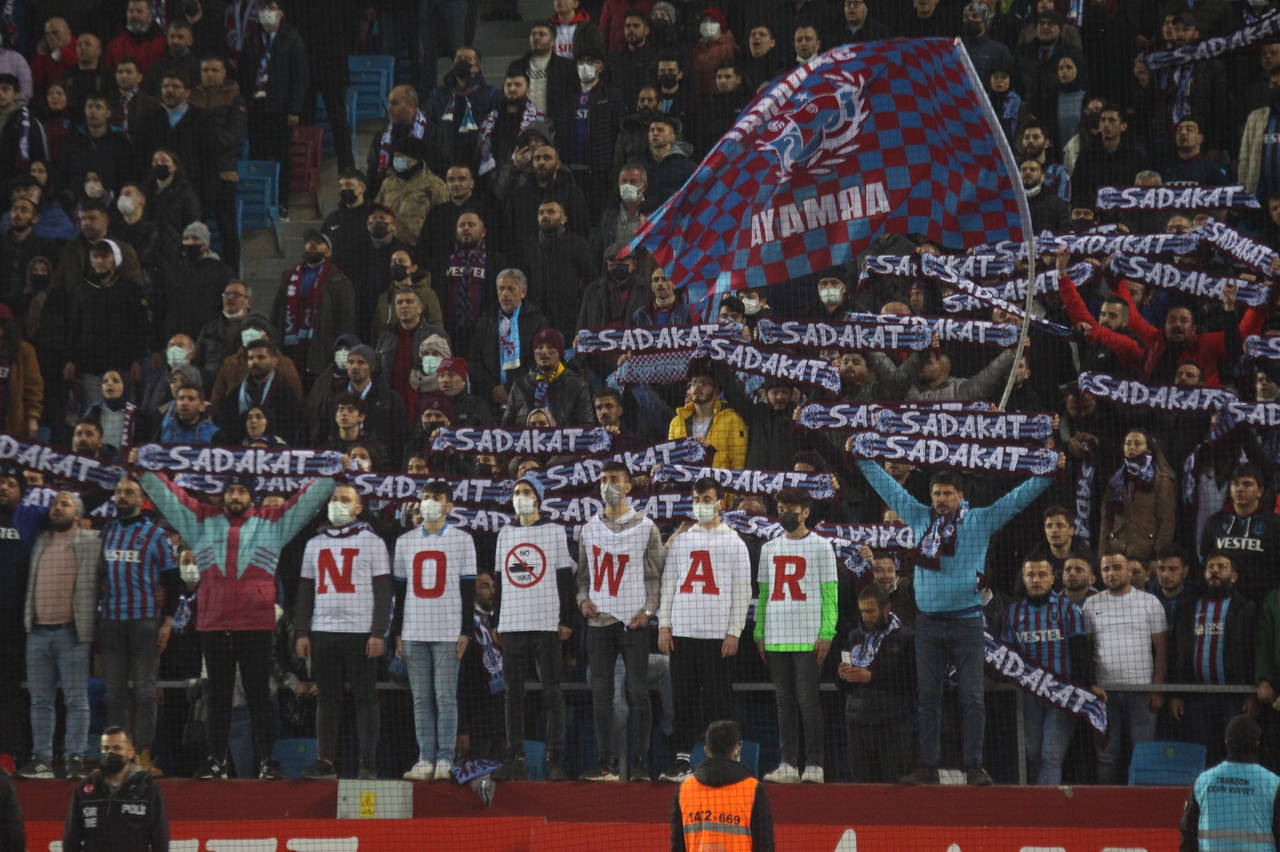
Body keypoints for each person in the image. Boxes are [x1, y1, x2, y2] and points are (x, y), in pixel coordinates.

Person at [856, 459, 1056, 785]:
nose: (941, 499)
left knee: (973, 698)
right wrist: (863, 460)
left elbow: (1017, 500)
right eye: (936, 493)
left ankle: (974, 767)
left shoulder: (980, 520)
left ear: (961, 497)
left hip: (968, 623)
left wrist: (1046, 475)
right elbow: (889, 489)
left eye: (948, 493)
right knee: (928, 698)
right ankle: (928, 767)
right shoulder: (920, 516)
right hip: (929, 625)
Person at [140, 469, 335, 780]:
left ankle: (268, 762)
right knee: (216, 697)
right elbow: (170, 498)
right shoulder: (201, 520)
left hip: (255, 623)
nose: (235, 496)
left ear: (251, 497)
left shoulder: (273, 522)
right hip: (214, 623)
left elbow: (304, 501)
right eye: (230, 491)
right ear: (223, 495)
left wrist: (330, 475)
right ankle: (216, 762)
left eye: (241, 492)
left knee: (260, 696)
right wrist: (147, 472)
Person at [294, 484, 392, 780]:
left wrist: (378, 632)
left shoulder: (373, 542)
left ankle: (367, 765)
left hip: (360, 632)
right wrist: (301, 631)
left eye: (345, 499)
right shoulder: (314, 543)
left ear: (359, 508)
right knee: (327, 698)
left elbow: (384, 591)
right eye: (334, 498)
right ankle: (325, 762)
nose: (337, 503)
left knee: (366, 698)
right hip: (323, 631)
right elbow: (305, 591)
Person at [576, 461, 663, 781]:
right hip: (599, 624)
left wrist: (649, 612)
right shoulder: (588, 529)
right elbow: (582, 578)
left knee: (639, 692)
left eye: (614, 479)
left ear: (628, 486)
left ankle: (640, 764)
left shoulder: (646, 527)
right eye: (603, 479)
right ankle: (605, 764)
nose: (608, 484)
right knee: (600, 695)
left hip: (633, 623)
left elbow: (655, 577)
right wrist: (582, 601)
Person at [659, 478, 750, 783]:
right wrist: (664, 626)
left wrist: (734, 632)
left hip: (716, 635)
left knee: (718, 699)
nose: (702, 504)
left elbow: (742, 590)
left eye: (708, 498)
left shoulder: (734, 541)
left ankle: (727, 760)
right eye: (697, 499)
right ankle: (682, 760)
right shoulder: (682, 540)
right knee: (682, 698)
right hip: (683, 631)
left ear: (720, 502)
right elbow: (668, 583)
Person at [393, 481, 478, 781]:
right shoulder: (404, 542)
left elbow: (468, 590)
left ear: (449, 505)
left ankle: (445, 757)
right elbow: (400, 592)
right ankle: (424, 757)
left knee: (445, 696)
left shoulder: (463, 540)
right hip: (414, 629)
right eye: (425, 497)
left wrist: (466, 630)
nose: (429, 502)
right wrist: (397, 631)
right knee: (420, 699)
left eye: (436, 498)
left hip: (447, 630)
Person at [493, 475, 574, 781]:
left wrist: (566, 620)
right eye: (516, 492)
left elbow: (564, 577)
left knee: (551, 692)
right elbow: (501, 580)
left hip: (546, 623)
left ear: (538, 498)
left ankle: (555, 758)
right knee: (512, 694)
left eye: (526, 492)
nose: (520, 496)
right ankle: (514, 756)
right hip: (513, 623)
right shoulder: (504, 534)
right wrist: (497, 619)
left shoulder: (554, 532)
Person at [753, 486, 836, 784]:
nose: (786, 514)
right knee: (783, 702)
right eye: (781, 508)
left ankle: (815, 764)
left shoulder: (821, 547)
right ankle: (787, 762)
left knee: (807, 700)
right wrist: (759, 632)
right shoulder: (768, 548)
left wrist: (827, 633)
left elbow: (831, 596)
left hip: (808, 636)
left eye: (791, 509)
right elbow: (763, 596)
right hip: (775, 636)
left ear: (806, 512)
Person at [98, 477, 179, 777]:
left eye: (129, 492)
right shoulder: (107, 532)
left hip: (145, 622)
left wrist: (168, 622)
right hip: (111, 622)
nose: (122, 496)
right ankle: (118, 755)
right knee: (115, 693)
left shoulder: (156, 535)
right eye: (118, 491)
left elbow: (173, 582)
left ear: (142, 499)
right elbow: (99, 578)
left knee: (145, 692)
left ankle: (143, 754)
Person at [19, 491, 98, 780]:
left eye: (65, 504)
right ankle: (42, 760)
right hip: (37, 632)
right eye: (54, 503)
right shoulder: (39, 540)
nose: (57, 508)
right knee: (41, 700)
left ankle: (75, 758)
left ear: (78, 514)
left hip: (72, 632)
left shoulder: (92, 542)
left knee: (76, 699)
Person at [1001, 557, 1092, 785]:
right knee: (1032, 753)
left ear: (1053, 578)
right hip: (1027, 697)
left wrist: (1087, 686)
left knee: (1050, 755)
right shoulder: (1012, 613)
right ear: (1023, 579)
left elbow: (1081, 651)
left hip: (1061, 696)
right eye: (1031, 575)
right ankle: (1036, 803)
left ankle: (1046, 813)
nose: (1036, 580)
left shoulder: (1068, 610)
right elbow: (1006, 654)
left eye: (1042, 575)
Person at [1083, 549, 1169, 784]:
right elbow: (1085, 650)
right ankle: (1106, 813)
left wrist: (1157, 688)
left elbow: (1161, 648)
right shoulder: (1090, 605)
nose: (1111, 573)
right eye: (1106, 569)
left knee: (1142, 755)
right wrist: (1091, 686)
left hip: (1141, 692)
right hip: (1104, 695)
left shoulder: (1149, 602)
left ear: (1129, 571)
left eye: (1117, 568)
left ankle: (1144, 811)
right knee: (1106, 756)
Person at [1168, 552, 1257, 768]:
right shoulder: (1189, 607)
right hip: (1196, 696)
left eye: (1221, 566)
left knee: (1232, 754)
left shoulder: (1246, 608)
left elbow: (1253, 652)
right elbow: (1175, 653)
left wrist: (1251, 694)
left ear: (1234, 576)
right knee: (1201, 753)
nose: (1215, 570)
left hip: (1232, 696)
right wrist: (1176, 694)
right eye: (1210, 567)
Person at [237, 0, 307, 220]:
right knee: (257, 154)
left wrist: (295, 109)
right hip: (256, 106)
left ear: (281, 14)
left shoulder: (292, 38)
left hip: (280, 107)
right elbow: (244, 71)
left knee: (281, 157)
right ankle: (259, 205)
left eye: (271, 9)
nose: (266, 13)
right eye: (263, 9)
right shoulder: (252, 38)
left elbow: (299, 77)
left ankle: (282, 203)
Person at [839, 583, 915, 783]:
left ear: (887, 608)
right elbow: (845, 686)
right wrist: (842, 675)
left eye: (871, 611)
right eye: (862, 611)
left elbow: (912, 682)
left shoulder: (906, 638)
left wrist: (872, 677)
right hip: (857, 723)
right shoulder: (854, 636)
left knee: (893, 788)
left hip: (891, 724)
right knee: (862, 790)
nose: (866, 616)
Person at [672, 719, 774, 852]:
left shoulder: (685, 789)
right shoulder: (753, 789)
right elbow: (764, 845)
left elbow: (678, 846)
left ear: (706, 750)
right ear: (737, 749)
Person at [1181, 715, 1280, 850]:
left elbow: (1188, 833)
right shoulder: (1272, 783)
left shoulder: (1203, 781)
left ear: (1226, 741)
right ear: (1257, 742)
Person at [62, 726, 168, 851]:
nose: (110, 753)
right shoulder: (84, 789)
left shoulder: (148, 788)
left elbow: (160, 836)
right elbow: (71, 836)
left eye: (117, 748)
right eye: (105, 748)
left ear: (131, 752)